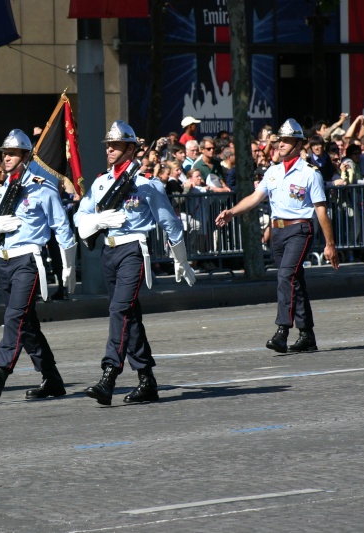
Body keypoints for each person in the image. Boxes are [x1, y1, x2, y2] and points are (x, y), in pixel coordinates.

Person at [73, 120, 196, 406]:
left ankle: (109, 375)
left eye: (115, 146)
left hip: (133, 251)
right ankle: (147, 381)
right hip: (109, 252)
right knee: (130, 317)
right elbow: (80, 217)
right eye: (108, 146)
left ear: (130, 149)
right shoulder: (102, 182)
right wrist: (96, 220)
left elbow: (170, 223)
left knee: (119, 310)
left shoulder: (146, 185)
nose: (110, 151)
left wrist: (182, 260)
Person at [0, 129, 77, 404]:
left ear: (26, 156)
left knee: (14, 318)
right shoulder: (3, 189)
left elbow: (61, 226)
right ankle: (52, 379)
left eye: (12, 153)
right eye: (4, 153)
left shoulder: (42, 188)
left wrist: (69, 266)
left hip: (29, 261)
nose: (6, 158)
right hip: (4, 261)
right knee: (26, 325)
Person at [215, 118, 340, 354]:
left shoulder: (309, 173)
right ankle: (307, 335)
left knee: (285, 276)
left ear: (297, 144)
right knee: (295, 281)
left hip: (299, 229)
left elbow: (321, 210)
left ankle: (282, 330)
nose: (280, 144)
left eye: (285, 141)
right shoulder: (272, 172)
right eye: (279, 140)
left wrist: (330, 244)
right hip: (278, 231)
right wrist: (232, 211)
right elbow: (255, 198)